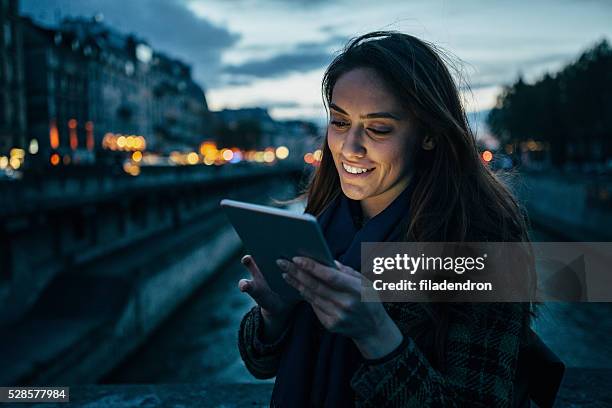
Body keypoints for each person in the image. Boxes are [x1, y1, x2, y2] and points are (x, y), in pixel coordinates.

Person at [236, 31, 563, 407]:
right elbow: (261, 363)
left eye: (378, 128)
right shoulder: (326, 213)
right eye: (340, 123)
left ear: (427, 134)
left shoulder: (481, 242)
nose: (350, 147)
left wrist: (377, 335)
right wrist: (273, 315)